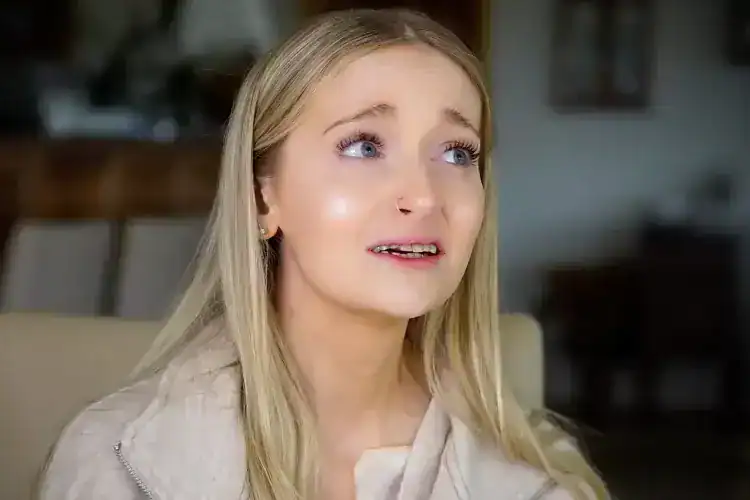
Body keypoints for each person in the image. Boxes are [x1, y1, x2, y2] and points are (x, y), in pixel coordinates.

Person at [40, 8, 608, 500]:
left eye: (458, 153)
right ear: (262, 197)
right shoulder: (116, 465)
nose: (423, 195)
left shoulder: (540, 483)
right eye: (364, 146)